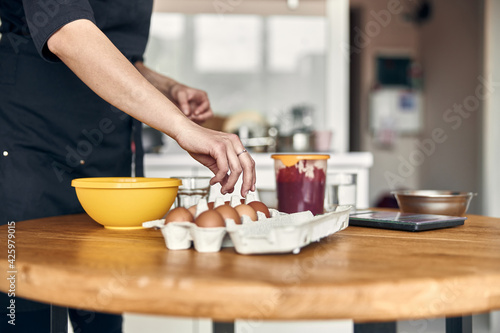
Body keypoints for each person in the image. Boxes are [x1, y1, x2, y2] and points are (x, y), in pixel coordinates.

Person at [0, 1, 256, 332]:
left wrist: (166, 88)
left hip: (105, 150)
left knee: (103, 311)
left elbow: (112, 52)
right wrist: (182, 127)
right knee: (25, 306)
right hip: (31, 143)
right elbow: (67, 34)